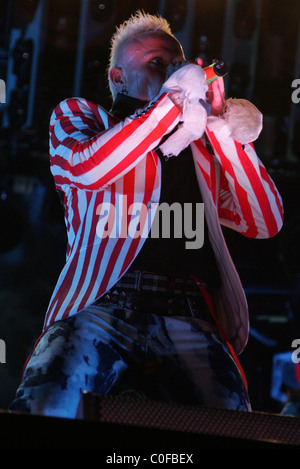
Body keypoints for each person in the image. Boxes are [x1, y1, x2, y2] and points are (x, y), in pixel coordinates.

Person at [9, 11, 283, 419]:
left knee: (230, 421)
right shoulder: (81, 117)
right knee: (45, 407)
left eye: (178, 64)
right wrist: (171, 103)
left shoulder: (200, 147)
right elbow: (87, 168)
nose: (175, 72)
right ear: (119, 78)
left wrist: (225, 131)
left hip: (192, 314)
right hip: (100, 306)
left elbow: (264, 220)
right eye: (158, 63)